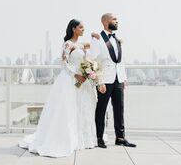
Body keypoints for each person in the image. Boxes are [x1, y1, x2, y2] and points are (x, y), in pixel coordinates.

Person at [19, 19, 99, 157]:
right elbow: (63, 62)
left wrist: (95, 37)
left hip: (83, 79)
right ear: (74, 29)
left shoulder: (82, 44)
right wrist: (75, 75)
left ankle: (84, 139)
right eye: (81, 27)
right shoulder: (68, 44)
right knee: (69, 108)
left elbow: (95, 49)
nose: (83, 29)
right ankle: (67, 139)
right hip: (70, 79)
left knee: (83, 107)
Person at [90, 13, 137, 148]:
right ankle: (99, 138)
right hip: (104, 80)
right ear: (105, 21)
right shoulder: (97, 39)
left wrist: (124, 78)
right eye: (115, 19)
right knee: (101, 109)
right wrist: (99, 82)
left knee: (119, 109)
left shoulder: (117, 39)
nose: (117, 22)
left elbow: (120, 61)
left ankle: (120, 138)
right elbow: (94, 60)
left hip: (118, 80)